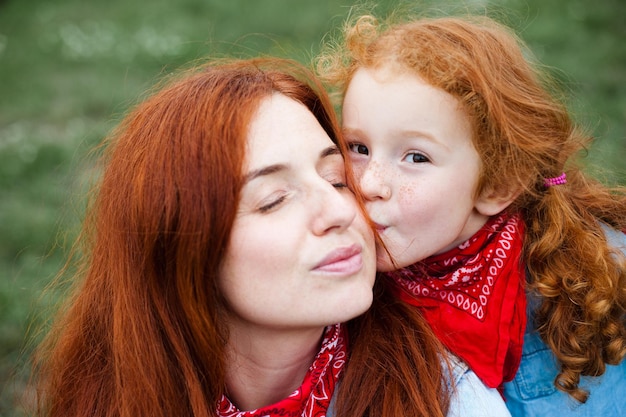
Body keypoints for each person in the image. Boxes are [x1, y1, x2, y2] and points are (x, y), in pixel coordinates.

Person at [29, 56, 509, 417]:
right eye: (274, 199)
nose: (340, 210)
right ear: (181, 246)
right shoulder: (111, 393)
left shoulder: (443, 399)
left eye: (338, 178)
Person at [317, 12, 626, 416]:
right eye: (358, 147)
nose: (370, 183)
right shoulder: (339, 278)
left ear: (496, 185)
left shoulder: (585, 288)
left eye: (416, 156)